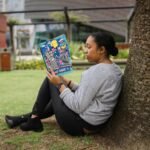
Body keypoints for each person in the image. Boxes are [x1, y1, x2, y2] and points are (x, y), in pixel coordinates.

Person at [5, 32, 122, 136]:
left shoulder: (94, 72)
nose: (85, 50)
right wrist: (68, 83)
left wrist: (60, 85)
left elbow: (77, 105)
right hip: (96, 124)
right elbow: (90, 93)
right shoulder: (115, 69)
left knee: (50, 82)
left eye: (89, 47)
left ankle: (34, 120)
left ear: (102, 50)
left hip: (79, 125)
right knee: (57, 91)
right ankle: (23, 119)